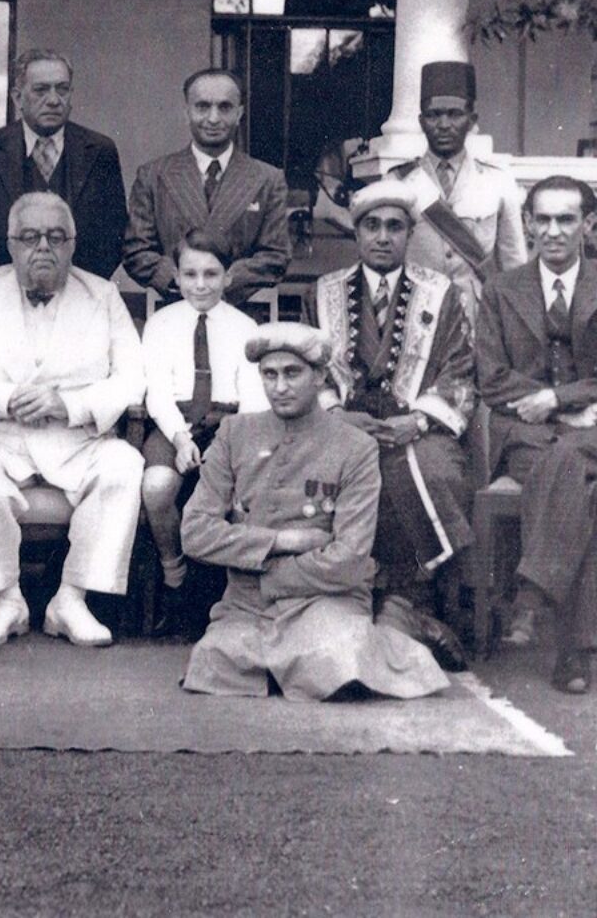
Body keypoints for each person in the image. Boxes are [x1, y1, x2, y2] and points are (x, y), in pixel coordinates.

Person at [180, 322, 450, 701]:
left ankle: (397, 625)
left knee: (337, 667)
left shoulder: (355, 446)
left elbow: (349, 558)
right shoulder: (234, 433)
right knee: (214, 664)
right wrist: (279, 540)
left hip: (324, 597)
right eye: (269, 375)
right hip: (247, 604)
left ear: (320, 376)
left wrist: (264, 572)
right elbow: (194, 533)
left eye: (293, 373)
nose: (280, 386)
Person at [0, 192, 146, 647]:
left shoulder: (103, 296)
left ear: (72, 244)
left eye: (55, 237)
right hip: (0, 442)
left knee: (125, 464)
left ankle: (72, 599)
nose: (42, 247)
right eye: (30, 237)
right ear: (11, 244)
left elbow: (133, 380)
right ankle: (7, 600)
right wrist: (4, 399)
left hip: (78, 442)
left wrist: (69, 405)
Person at [306, 180, 475, 671]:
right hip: (343, 425)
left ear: (409, 234)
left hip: (417, 425)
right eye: (372, 226)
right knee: (332, 474)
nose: (383, 236)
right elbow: (309, 369)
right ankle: (355, 604)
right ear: (357, 233)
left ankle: (410, 602)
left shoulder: (440, 294)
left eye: (394, 227)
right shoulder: (324, 293)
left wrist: (418, 420)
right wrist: (336, 416)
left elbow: (460, 371)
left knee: (430, 473)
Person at [476, 175, 597, 694]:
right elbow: (490, 376)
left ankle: (529, 597)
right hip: (527, 435)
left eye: (566, 219)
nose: (553, 231)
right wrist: (551, 407)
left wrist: (563, 399)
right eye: (542, 219)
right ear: (526, 223)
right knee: (579, 482)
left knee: (571, 464)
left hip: (593, 427)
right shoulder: (502, 290)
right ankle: (573, 649)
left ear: (589, 225)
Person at [140, 229, 269, 635]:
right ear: (175, 276)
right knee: (158, 486)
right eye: (190, 274)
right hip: (174, 423)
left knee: (243, 495)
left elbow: (252, 400)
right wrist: (179, 439)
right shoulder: (160, 324)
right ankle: (173, 572)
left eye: (211, 274)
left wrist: (227, 448)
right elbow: (157, 392)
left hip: (230, 425)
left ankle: (232, 592)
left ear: (228, 277)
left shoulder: (246, 326)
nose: (200, 284)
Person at [0, 49, 127, 282]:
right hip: (4, 300)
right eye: (41, 90)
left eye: (62, 89)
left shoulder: (100, 151)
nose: (54, 100)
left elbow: (114, 237)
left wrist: (78, 290)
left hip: (78, 300)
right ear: (17, 98)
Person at [123, 68, 290, 308]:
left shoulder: (268, 179)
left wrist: (223, 282)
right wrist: (186, 281)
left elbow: (276, 256)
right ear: (186, 112)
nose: (213, 118)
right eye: (202, 107)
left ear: (239, 113)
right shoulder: (153, 175)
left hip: (241, 313)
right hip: (172, 309)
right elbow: (136, 251)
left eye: (225, 107)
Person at [388, 61, 527, 322]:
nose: (443, 124)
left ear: (472, 120)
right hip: (414, 316)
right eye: (433, 115)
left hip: (477, 318)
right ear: (421, 121)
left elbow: (514, 268)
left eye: (454, 114)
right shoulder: (398, 181)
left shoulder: (498, 181)